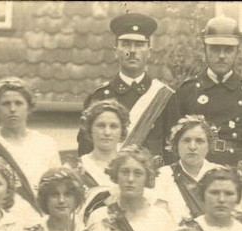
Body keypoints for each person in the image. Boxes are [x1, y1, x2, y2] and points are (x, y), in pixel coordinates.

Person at [76, 13, 180, 163]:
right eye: (125, 44)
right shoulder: (99, 97)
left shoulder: (165, 97)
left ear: (149, 51)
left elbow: (173, 151)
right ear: (115, 50)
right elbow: (86, 148)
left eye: (139, 45)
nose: (132, 50)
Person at [174, 16, 242, 166]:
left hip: (237, 168)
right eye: (215, 49)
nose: (222, 56)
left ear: (238, 52)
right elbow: (174, 140)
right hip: (198, 167)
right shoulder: (187, 91)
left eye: (228, 50)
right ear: (205, 50)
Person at [0, 77, 62, 217]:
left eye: (18, 103)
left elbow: (56, 189)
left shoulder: (46, 143)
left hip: (38, 223)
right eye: (6, 104)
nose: (12, 109)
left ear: (29, 108)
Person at [84, 146, 176, 231]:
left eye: (138, 173)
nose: (131, 179)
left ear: (147, 177)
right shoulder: (99, 216)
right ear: (115, 175)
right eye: (125, 172)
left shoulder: (161, 217)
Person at [154, 116, 227, 223]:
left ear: (209, 145)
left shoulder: (222, 174)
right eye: (186, 140)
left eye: (199, 141)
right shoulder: (163, 176)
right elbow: (160, 220)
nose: (192, 147)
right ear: (176, 145)